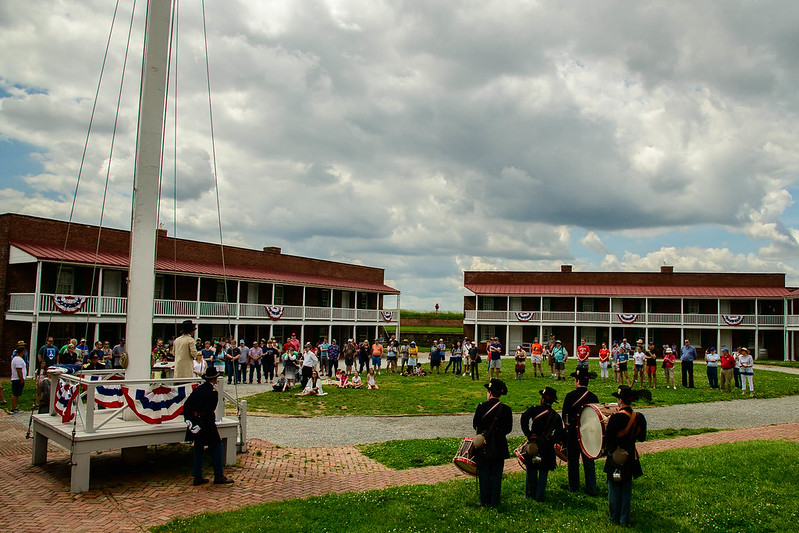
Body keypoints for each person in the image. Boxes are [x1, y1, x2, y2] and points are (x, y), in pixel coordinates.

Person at [604, 385, 647, 526]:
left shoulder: (615, 418)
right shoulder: (639, 417)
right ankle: (624, 519)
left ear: (620, 401)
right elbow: (642, 438)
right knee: (626, 489)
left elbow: (608, 440)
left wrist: (608, 424)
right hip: (630, 456)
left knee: (614, 489)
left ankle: (614, 516)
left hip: (615, 456)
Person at [183, 367, 233, 486]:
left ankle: (197, 476)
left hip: (195, 421)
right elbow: (209, 410)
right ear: (215, 379)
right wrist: (200, 424)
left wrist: (189, 419)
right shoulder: (212, 392)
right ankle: (218, 475)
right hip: (206, 423)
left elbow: (187, 405)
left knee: (198, 448)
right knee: (217, 446)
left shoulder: (198, 389)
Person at [473, 379, 512, 508]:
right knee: (496, 474)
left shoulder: (481, 407)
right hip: (499, 444)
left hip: (484, 444)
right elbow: (508, 429)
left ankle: (484, 500)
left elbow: (475, 425)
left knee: (484, 473)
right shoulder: (506, 409)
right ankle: (495, 501)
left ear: (489, 393)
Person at [520, 386, 564, 501]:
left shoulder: (535, 410)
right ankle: (540, 495)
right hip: (547, 446)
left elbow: (524, 417)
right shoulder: (556, 416)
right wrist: (551, 439)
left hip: (534, 444)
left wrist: (528, 433)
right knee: (544, 471)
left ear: (543, 399)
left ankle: (530, 493)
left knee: (531, 469)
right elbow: (560, 433)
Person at [563, 369, 598, 495]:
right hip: (588, 431)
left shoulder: (570, 396)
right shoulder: (593, 397)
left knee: (573, 461)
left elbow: (564, 415)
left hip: (573, 432)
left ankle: (574, 487)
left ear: (577, 381)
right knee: (588, 460)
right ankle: (591, 488)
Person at [10, 341, 28, 413]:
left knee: (17, 394)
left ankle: (15, 407)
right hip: (17, 379)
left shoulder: (16, 359)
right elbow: (19, 370)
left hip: (17, 379)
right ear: (22, 351)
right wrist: (21, 379)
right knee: (15, 394)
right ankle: (13, 408)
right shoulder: (18, 360)